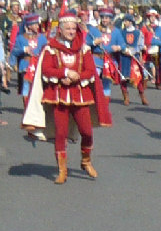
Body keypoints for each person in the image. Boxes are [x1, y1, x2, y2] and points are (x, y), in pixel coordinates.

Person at [34, 12, 110, 184]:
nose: (70, 31)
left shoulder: (84, 49)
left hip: (80, 95)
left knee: (87, 132)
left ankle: (86, 160)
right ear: (60, 30)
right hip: (59, 96)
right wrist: (65, 73)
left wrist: (77, 77)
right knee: (61, 133)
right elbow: (46, 70)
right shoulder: (50, 48)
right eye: (67, 28)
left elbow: (90, 71)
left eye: (73, 28)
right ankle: (62, 170)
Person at [86, 7, 125, 101]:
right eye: (103, 17)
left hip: (109, 60)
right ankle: (94, 101)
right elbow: (86, 42)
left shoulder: (116, 31)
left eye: (107, 18)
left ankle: (105, 107)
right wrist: (94, 42)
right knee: (94, 80)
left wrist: (118, 47)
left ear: (110, 19)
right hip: (96, 59)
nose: (104, 20)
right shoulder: (94, 30)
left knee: (106, 84)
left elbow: (123, 44)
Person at [9, 13, 47, 106]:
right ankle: (26, 108)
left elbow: (46, 50)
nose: (37, 26)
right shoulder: (21, 38)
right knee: (25, 90)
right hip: (25, 66)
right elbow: (14, 52)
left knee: (38, 89)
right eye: (34, 24)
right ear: (29, 26)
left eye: (37, 24)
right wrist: (23, 50)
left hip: (38, 67)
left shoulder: (42, 38)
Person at [120, 14, 149, 106]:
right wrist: (124, 50)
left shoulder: (138, 33)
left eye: (126, 21)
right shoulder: (121, 32)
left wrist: (133, 51)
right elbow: (119, 43)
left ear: (130, 22)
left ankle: (142, 96)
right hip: (124, 57)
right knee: (123, 77)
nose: (125, 23)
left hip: (134, 57)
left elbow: (140, 45)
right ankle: (126, 97)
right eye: (124, 21)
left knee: (138, 77)